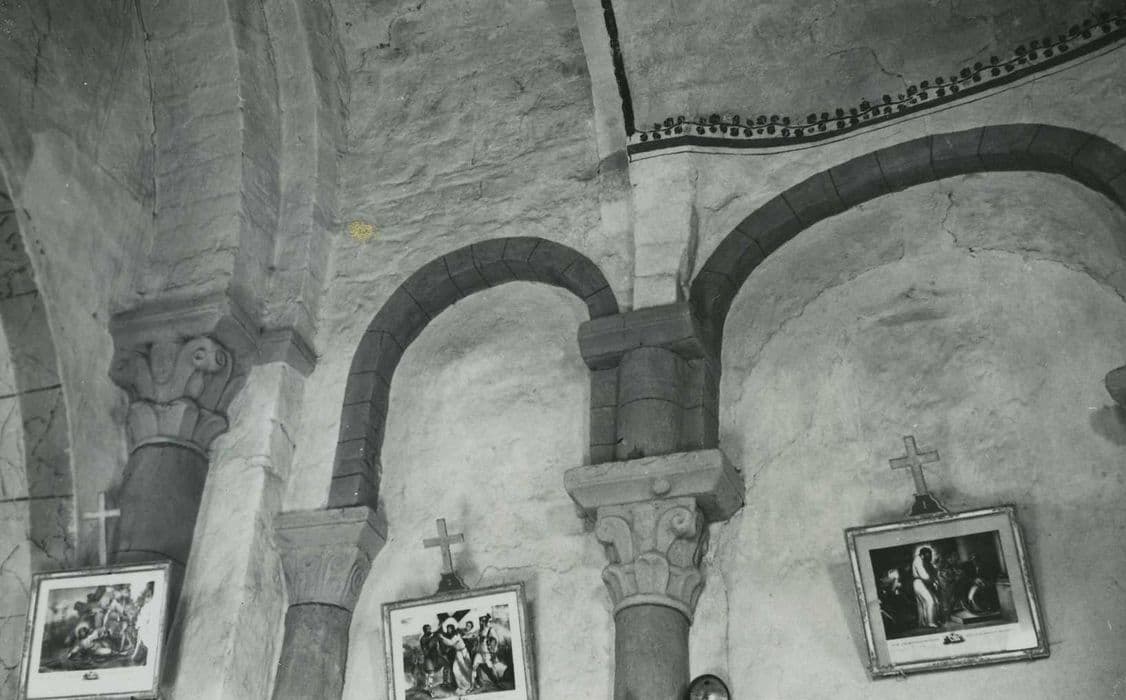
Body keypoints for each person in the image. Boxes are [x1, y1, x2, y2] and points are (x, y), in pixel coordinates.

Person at [437, 622, 473, 693]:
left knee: (465, 669)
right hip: (458, 653)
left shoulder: (456, 635)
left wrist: (442, 637)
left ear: (452, 629)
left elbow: (450, 643)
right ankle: (461, 686)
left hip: (463, 652)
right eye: (447, 629)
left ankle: (469, 685)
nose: (448, 630)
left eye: (449, 629)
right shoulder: (451, 636)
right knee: (455, 670)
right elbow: (447, 643)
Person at [912, 547, 941, 628]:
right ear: (922, 555)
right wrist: (932, 580)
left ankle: (928, 622)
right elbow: (924, 576)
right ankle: (930, 622)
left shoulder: (923, 561)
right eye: (928, 555)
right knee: (930, 601)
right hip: (919, 583)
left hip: (922, 583)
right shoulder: (918, 560)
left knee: (932, 602)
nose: (930, 557)